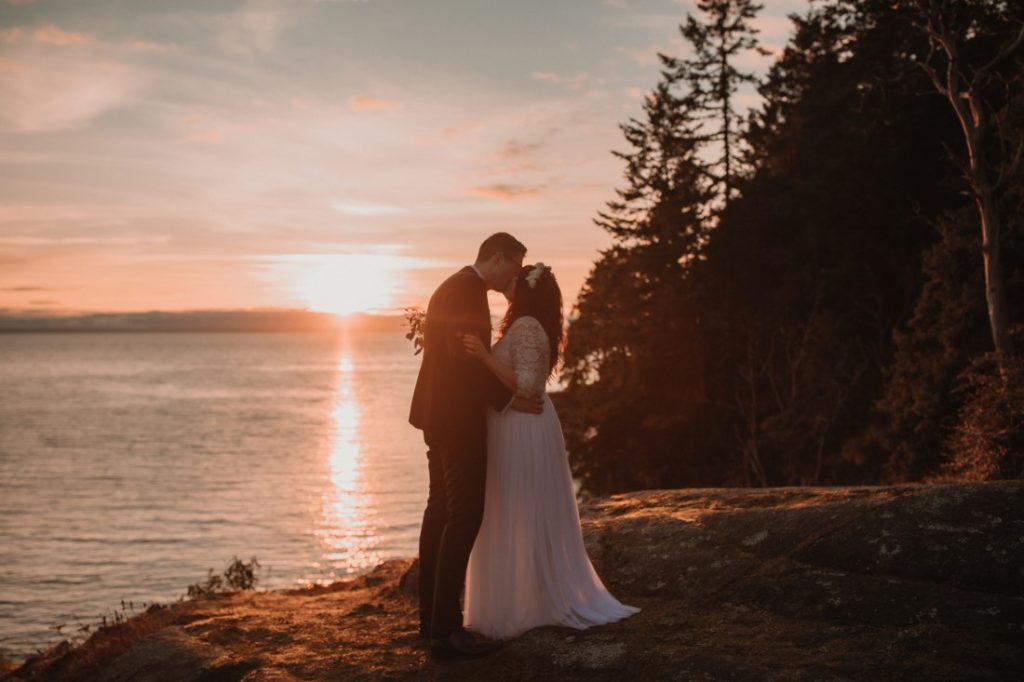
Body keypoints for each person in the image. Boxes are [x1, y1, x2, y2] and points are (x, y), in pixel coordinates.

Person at [461, 262, 640, 640]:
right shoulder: (526, 324)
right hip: (520, 423)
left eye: (515, 279)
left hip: (522, 429)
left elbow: (528, 385)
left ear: (525, 290)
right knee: (520, 510)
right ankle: (524, 596)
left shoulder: (526, 326)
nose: (508, 281)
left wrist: (482, 356)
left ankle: (525, 602)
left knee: (516, 509)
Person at [409, 233, 544, 662]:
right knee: (464, 514)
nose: (515, 277)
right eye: (515, 267)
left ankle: (431, 622)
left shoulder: (453, 285)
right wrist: (512, 400)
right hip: (458, 420)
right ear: (499, 257)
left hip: (437, 415)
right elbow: (466, 360)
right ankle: (446, 632)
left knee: (441, 511)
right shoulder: (466, 291)